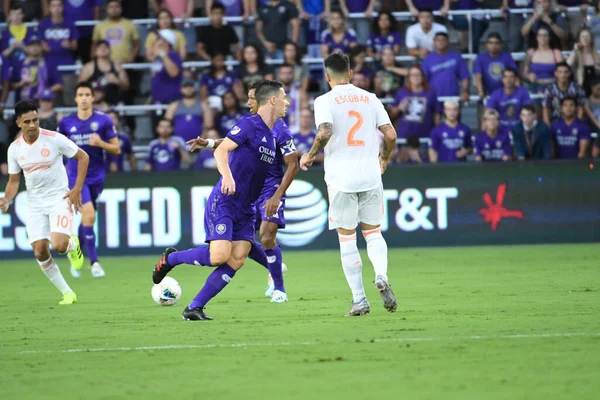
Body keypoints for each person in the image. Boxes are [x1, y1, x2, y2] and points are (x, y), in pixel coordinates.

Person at [152, 81, 292, 320]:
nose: (288, 102)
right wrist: (227, 175)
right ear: (272, 100)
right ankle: (171, 258)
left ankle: (194, 308)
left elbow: (240, 149)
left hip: (247, 208)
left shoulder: (271, 136)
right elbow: (222, 150)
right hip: (226, 200)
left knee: (237, 258)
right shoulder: (249, 124)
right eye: (284, 97)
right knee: (218, 256)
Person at [299, 52, 398, 317]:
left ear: (327, 76)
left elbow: (325, 131)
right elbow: (390, 134)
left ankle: (359, 300)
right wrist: (384, 158)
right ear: (351, 73)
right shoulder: (370, 98)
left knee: (347, 239)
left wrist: (309, 155)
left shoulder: (324, 100)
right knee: (374, 233)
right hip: (369, 174)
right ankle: (381, 274)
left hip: (341, 179)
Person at [0, 99, 89, 305]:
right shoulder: (14, 149)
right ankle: (67, 293)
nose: (32, 125)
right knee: (40, 250)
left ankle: (72, 244)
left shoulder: (54, 139)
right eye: (27, 121)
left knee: (58, 245)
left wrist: (76, 189)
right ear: (18, 123)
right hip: (34, 203)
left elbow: (83, 157)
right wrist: (6, 198)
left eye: (35, 120)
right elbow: (14, 181)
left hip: (59, 197)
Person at [57, 82, 120, 279]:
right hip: (76, 176)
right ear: (75, 99)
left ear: (93, 98)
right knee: (90, 215)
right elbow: (58, 150)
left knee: (87, 219)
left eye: (87, 94)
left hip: (97, 176)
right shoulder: (66, 123)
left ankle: (76, 253)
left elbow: (116, 148)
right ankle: (95, 263)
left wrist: (100, 143)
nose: (84, 98)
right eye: (80, 94)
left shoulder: (103, 120)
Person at [77, 40, 130, 106]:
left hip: (114, 104)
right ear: (95, 51)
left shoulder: (117, 67)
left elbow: (126, 86)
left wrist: (117, 81)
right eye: (100, 47)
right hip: (95, 105)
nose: (103, 49)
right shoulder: (88, 67)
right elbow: (80, 87)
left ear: (110, 50)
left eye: (105, 47)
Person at [422, 32, 470, 103]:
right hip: (434, 98)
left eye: (443, 40)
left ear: (448, 42)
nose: (440, 42)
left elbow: (465, 77)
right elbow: (423, 79)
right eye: (438, 40)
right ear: (434, 43)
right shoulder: (428, 59)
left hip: (453, 98)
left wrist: (465, 91)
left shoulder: (457, 57)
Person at [165, 78, 213, 143]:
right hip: (177, 144)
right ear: (181, 89)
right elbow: (166, 124)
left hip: (199, 143)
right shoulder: (174, 105)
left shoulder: (203, 106)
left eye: (190, 86)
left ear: (194, 88)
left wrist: (200, 140)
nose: (188, 89)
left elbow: (208, 126)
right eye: (185, 87)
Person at [486, 67, 533, 133]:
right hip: (500, 130)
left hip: (520, 130)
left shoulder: (523, 91)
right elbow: (488, 113)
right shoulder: (496, 94)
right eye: (506, 77)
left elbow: (529, 111)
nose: (508, 80)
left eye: (511, 77)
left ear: (516, 79)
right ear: (502, 79)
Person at [473, 32, 518, 98]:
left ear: (500, 45)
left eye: (496, 43)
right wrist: (480, 92)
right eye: (491, 43)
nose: (493, 46)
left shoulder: (507, 56)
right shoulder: (481, 58)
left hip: (505, 92)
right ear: (486, 44)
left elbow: (514, 74)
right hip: (486, 93)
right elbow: (478, 76)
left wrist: (517, 93)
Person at [522, 27, 564, 94]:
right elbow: (524, 73)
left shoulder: (556, 53)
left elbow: (563, 72)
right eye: (540, 35)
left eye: (545, 35)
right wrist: (528, 76)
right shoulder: (530, 52)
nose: (543, 38)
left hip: (553, 87)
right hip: (534, 87)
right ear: (536, 37)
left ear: (549, 37)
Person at [566, 27, 600, 95]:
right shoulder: (576, 54)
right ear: (579, 39)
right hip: (581, 87)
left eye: (587, 36)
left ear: (591, 39)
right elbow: (567, 65)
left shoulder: (597, 55)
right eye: (583, 36)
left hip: (596, 89)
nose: (585, 39)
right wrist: (575, 50)